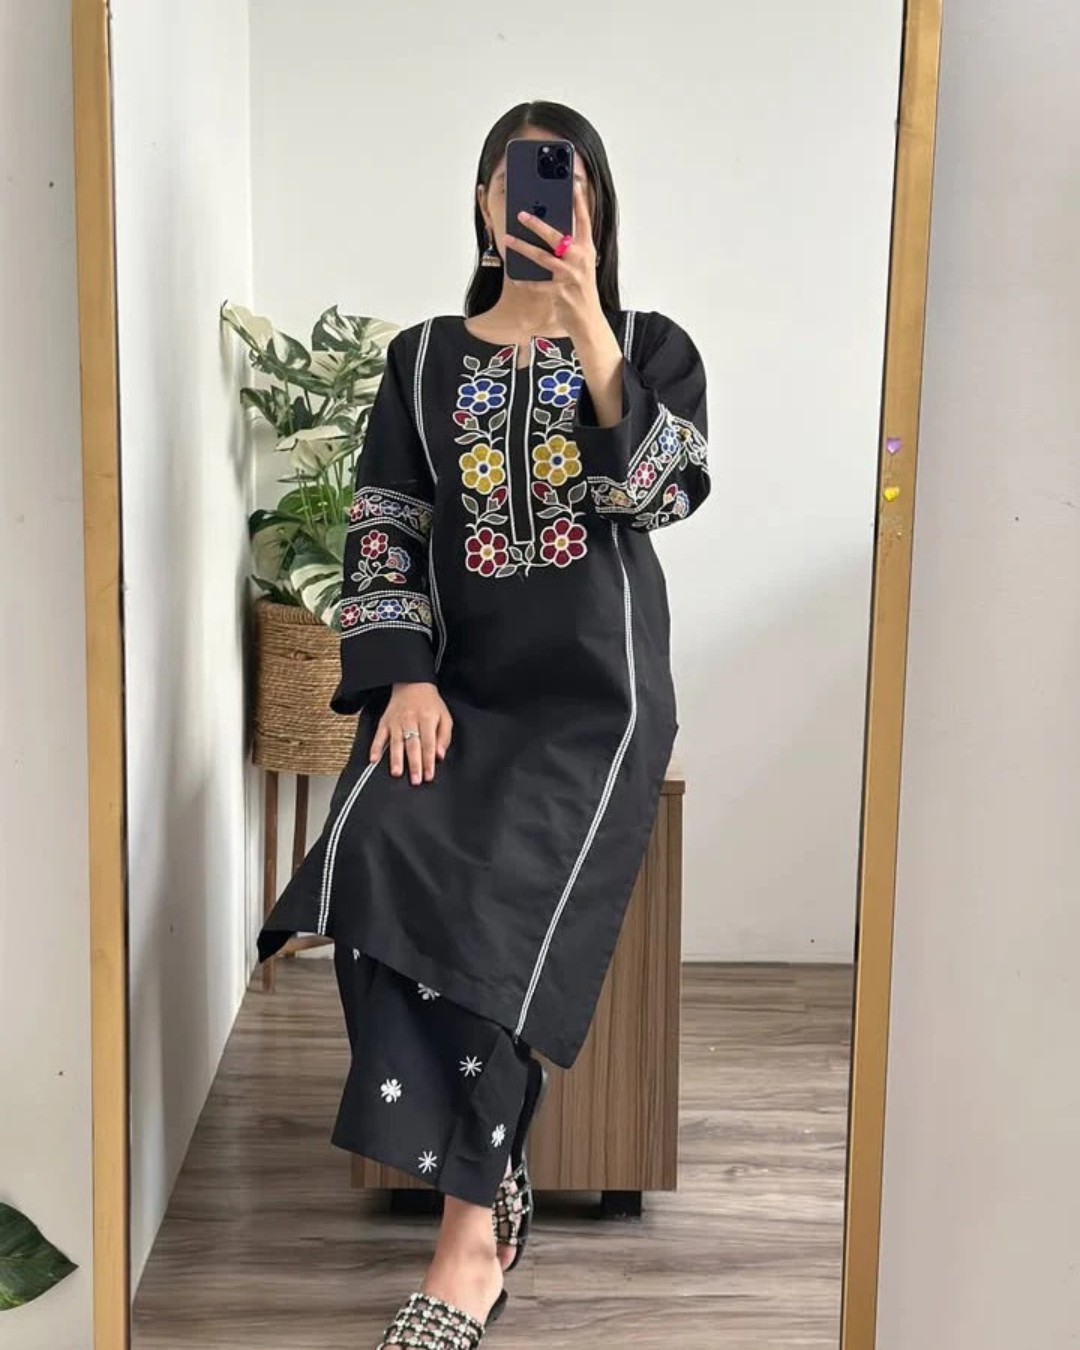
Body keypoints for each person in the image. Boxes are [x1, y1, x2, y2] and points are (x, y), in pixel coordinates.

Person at [257, 99, 710, 1349]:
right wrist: (403, 679)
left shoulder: (651, 346)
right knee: (369, 853)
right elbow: (384, 525)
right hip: (454, 688)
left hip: (596, 697)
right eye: (520, 182)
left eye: (572, 185)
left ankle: (466, 1245)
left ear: (596, 207)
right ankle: (492, 1175)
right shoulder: (420, 361)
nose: (548, 204)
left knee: (504, 900)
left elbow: (662, 490)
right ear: (482, 202)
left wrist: (587, 323)